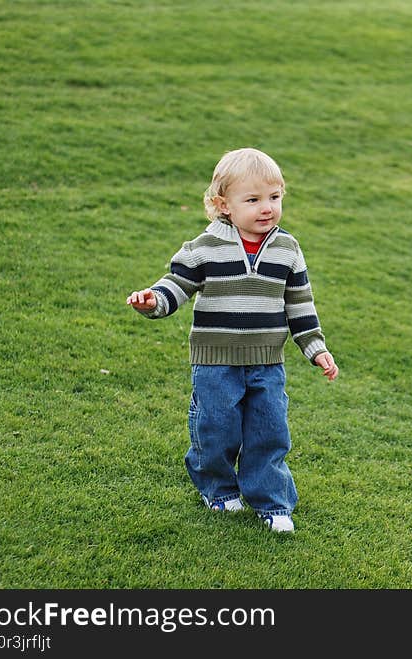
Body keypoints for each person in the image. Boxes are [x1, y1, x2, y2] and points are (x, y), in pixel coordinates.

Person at [126, 147, 338, 533]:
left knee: (269, 432)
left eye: (274, 197)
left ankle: (273, 502)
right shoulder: (204, 247)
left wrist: (316, 348)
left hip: (266, 363)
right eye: (253, 199)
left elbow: (300, 305)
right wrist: (153, 301)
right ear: (223, 205)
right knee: (216, 429)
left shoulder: (288, 249)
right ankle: (219, 490)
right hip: (215, 363)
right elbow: (176, 284)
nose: (266, 208)